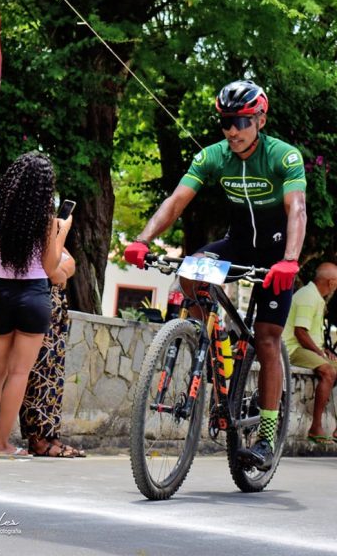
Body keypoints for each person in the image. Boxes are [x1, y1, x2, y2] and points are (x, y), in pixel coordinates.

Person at [125, 79, 307, 471]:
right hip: (238, 244)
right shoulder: (213, 156)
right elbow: (176, 200)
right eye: (226, 121)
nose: (232, 130)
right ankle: (205, 336)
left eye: (241, 121)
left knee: (267, 338)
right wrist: (142, 238)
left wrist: (290, 259)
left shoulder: (283, 156)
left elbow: (297, 210)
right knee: (189, 272)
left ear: (259, 118)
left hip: (277, 253)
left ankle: (267, 438)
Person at [0, 152, 73, 457]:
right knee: (19, 373)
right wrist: (62, 232)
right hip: (33, 297)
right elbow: (49, 266)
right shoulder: (44, 221)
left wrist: (1, 286)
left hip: (2, 294)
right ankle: (4, 443)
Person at [19, 246, 87, 458]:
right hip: (40, 296)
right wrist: (59, 271)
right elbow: (53, 270)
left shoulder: (53, 228)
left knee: (54, 373)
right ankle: (38, 438)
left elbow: (70, 263)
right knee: (39, 372)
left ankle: (50, 435)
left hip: (57, 303)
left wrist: (60, 271)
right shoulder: (34, 226)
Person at [281, 262, 337, 443]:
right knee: (328, 371)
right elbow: (300, 332)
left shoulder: (314, 295)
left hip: (303, 347)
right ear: (331, 282)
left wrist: (323, 350)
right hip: (292, 348)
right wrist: (320, 355)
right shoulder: (309, 296)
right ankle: (316, 427)